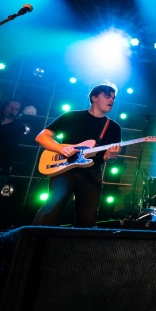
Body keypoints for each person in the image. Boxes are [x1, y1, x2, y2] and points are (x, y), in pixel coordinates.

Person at [32, 83, 122, 227]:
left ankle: (77, 248)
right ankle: (32, 244)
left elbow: (107, 158)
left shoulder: (113, 127)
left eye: (113, 97)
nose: (111, 100)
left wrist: (112, 155)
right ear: (94, 97)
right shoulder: (72, 116)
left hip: (92, 173)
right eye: (107, 96)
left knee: (87, 218)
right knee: (51, 210)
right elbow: (42, 137)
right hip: (64, 170)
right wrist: (60, 149)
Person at [0, 99, 28, 189]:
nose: (13, 109)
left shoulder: (19, 127)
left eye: (16, 109)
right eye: (11, 106)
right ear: (5, 106)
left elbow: (10, 145)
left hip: (2, 166)